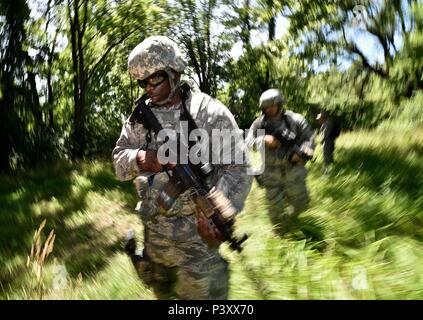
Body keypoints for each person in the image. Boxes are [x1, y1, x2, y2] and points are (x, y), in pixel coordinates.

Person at [112, 36, 252, 300]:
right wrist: (145, 158)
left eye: (155, 78)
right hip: (156, 239)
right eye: (142, 82)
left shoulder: (208, 113)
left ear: (174, 72)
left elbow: (239, 167)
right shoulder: (138, 119)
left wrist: (223, 204)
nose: (148, 88)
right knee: (161, 292)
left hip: (197, 247)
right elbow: (119, 161)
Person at [246, 89, 315, 234]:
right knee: (275, 211)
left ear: (279, 104)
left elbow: (310, 140)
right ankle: (281, 238)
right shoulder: (259, 124)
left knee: (301, 205)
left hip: (294, 171)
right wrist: (262, 139)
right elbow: (248, 143)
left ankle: (301, 231)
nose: (270, 109)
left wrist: (302, 153)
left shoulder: (295, 120)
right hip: (271, 175)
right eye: (266, 106)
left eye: (273, 105)